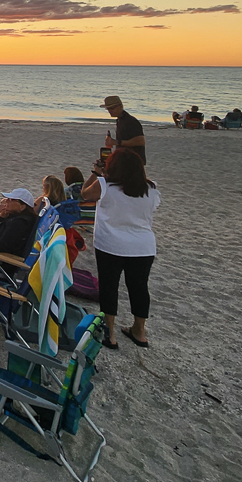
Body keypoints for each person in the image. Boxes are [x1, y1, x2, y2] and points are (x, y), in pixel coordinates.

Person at [81, 148, 160, 349]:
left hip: (111, 244)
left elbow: (84, 193)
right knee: (139, 287)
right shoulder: (151, 188)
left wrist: (96, 173)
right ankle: (139, 331)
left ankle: (110, 333)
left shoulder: (105, 185)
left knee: (109, 286)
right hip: (143, 246)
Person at [102, 94, 146, 165]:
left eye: (112, 108)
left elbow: (140, 141)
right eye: (108, 109)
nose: (109, 111)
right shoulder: (120, 120)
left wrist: (116, 142)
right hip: (125, 160)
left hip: (133, 161)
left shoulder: (130, 121)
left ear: (120, 107)